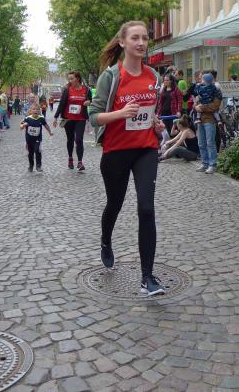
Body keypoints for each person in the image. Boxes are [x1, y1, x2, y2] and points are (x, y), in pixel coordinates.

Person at [88, 20, 167, 297]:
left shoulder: (153, 76)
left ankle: (148, 277)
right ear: (122, 42)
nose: (141, 43)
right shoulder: (111, 76)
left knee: (146, 208)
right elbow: (93, 116)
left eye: (145, 38)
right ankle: (106, 240)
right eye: (135, 38)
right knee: (115, 203)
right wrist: (120, 114)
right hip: (116, 150)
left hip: (146, 148)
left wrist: (156, 124)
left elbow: (150, 112)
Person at [53, 71, 92, 172]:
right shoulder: (67, 90)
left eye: (72, 78)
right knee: (70, 139)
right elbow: (62, 104)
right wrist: (56, 117)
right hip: (68, 119)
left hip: (81, 119)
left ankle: (80, 162)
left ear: (78, 78)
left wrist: (88, 102)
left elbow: (90, 100)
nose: (70, 81)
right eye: (69, 79)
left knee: (79, 139)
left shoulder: (87, 90)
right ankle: (70, 158)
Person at [193, 73, 222, 174]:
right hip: (200, 119)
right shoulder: (200, 89)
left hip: (210, 119)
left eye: (202, 78)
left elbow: (215, 106)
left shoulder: (216, 90)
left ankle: (212, 165)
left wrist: (201, 107)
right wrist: (196, 106)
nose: (200, 80)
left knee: (210, 143)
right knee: (201, 143)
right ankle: (205, 163)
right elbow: (196, 102)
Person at [21, 105, 53, 172]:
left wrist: (50, 132)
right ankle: (31, 165)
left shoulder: (41, 118)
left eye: (37, 109)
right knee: (30, 153)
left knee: (38, 151)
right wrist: (23, 125)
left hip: (38, 139)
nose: (35, 110)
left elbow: (46, 125)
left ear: (39, 111)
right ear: (31, 111)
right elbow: (21, 125)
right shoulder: (27, 118)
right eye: (34, 109)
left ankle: (38, 166)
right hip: (29, 139)